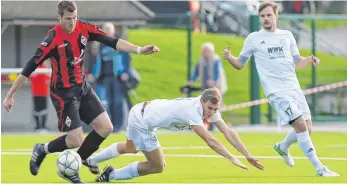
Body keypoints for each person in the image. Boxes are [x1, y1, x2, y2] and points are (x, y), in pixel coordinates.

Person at [2, 0, 160, 183]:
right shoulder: (52, 38)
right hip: (63, 93)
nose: (72, 22)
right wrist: (10, 94)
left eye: (75, 17)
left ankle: (74, 165)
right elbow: (30, 67)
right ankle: (42, 149)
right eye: (68, 18)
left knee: (105, 127)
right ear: (59, 17)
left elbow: (112, 41)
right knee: (75, 139)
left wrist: (139, 49)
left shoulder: (84, 28)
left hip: (82, 87)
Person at [222, 1, 339, 177]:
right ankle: (319, 168)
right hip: (276, 92)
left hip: (294, 88)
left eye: (269, 15)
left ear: (276, 16)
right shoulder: (253, 38)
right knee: (300, 125)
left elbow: (297, 61)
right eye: (262, 16)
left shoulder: (287, 35)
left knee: (308, 127)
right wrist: (230, 57)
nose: (265, 19)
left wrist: (310, 59)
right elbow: (240, 64)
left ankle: (282, 147)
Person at [84, 87, 264, 182]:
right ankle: (110, 176)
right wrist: (231, 157)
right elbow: (210, 140)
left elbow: (228, 132)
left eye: (215, 109)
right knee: (158, 165)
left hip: (139, 110)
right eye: (209, 108)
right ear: (202, 101)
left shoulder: (207, 107)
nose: (211, 113)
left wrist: (247, 155)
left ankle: (91, 161)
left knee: (131, 147)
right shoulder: (193, 111)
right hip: (143, 121)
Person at [186, 42, 228, 130]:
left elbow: (217, 72)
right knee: (205, 106)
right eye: (203, 51)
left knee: (216, 107)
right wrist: (191, 80)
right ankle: (207, 125)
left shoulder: (216, 60)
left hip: (217, 88)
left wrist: (213, 80)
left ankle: (217, 127)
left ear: (211, 51)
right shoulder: (201, 60)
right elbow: (196, 72)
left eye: (207, 51)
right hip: (205, 88)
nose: (205, 53)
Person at [29, 61, 51, 132]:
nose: (49, 64)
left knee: (44, 110)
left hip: (44, 94)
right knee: (37, 110)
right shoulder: (38, 69)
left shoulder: (47, 71)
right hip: (37, 93)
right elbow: (31, 76)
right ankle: (38, 126)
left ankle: (43, 126)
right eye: (47, 63)